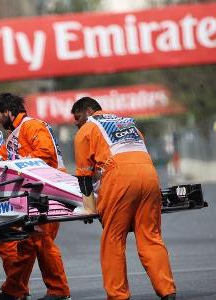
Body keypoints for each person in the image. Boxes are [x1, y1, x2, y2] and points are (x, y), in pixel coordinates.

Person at [71, 97, 176, 300]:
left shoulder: (87, 129)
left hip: (120, 178)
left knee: (113, 239)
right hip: (149, 175)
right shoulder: (127, 122)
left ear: (89, 111)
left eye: (77, 117)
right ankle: (168, 291)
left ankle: (118, 295)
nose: (76, 123)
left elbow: (84, 175)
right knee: (150, 236)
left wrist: (90, 208)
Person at [0, 93, 70, 300]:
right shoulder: (14, 135)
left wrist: (16, 163)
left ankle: (59, 292)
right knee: (28, 243)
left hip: (50, 190)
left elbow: (46, 153)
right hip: (33, 194)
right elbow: (5, 161)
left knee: (41, 241)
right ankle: (14, 291)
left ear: (7, 111)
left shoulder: (31, 125)